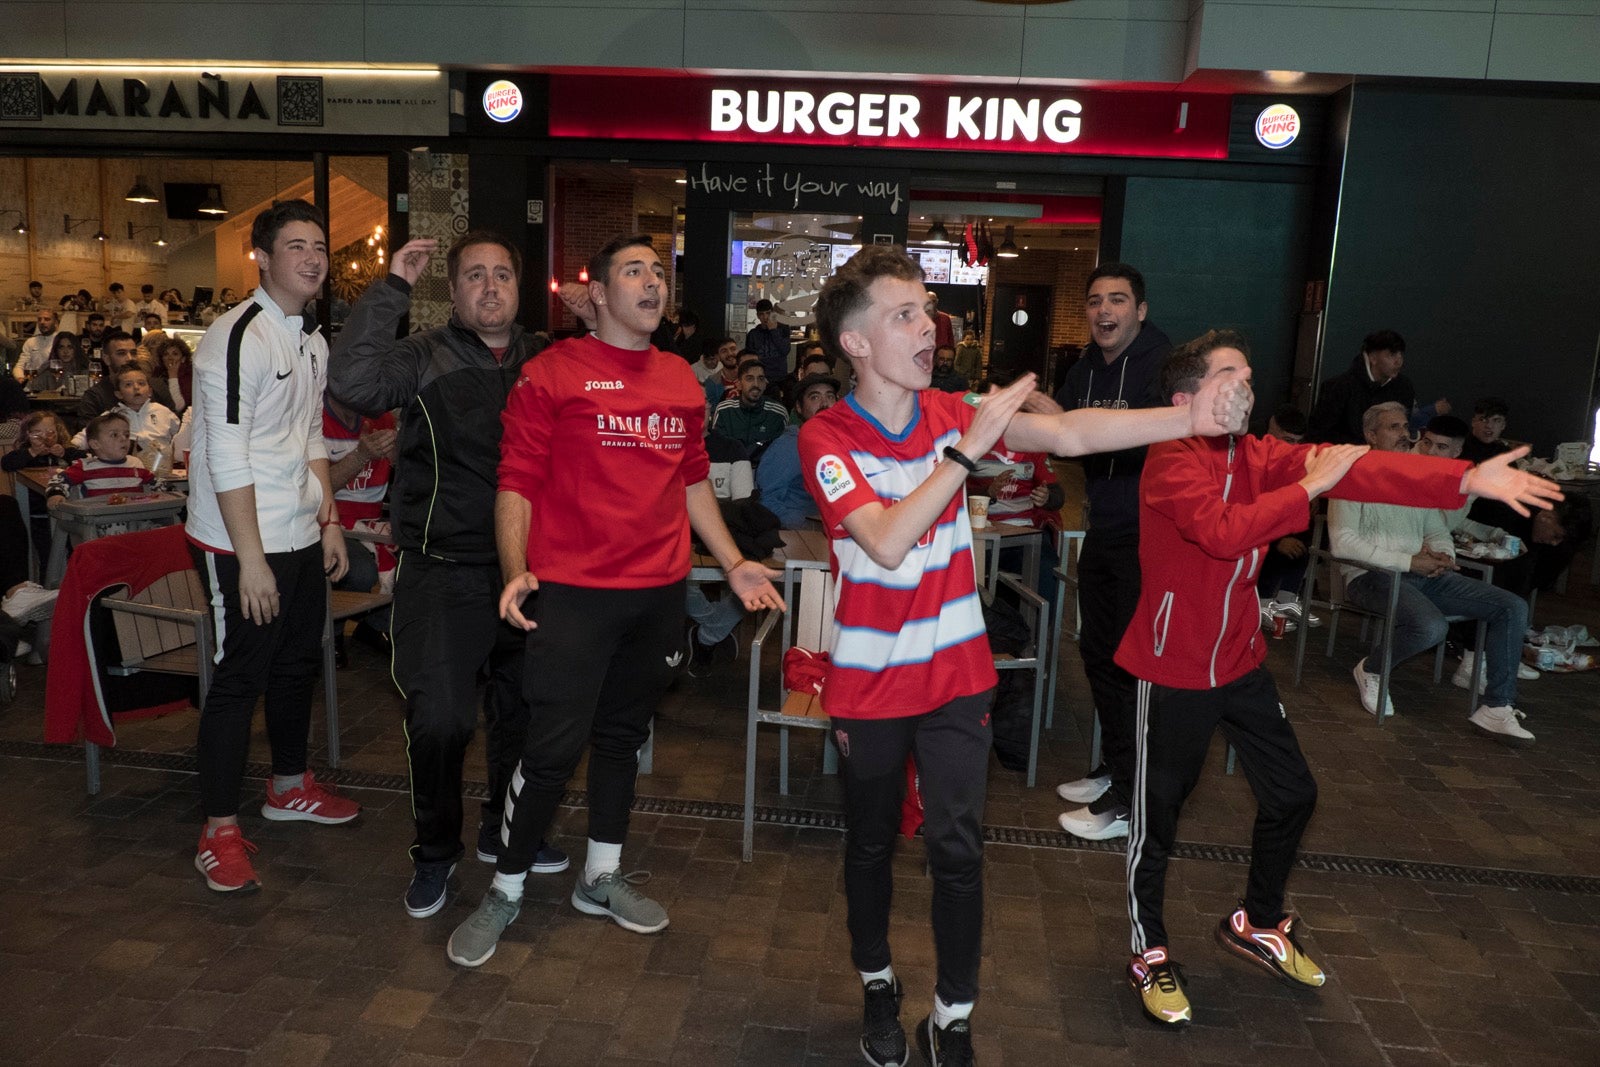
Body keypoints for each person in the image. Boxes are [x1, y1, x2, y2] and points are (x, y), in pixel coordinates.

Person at [796, 246, 1253, 1067]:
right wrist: (967, 449)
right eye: (903, 314)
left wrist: (1188, 418)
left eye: (926, 308)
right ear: (856, 342)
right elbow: (888, 539)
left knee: (959, 848)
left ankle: (954, 1016)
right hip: (867, 685)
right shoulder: (827, 435)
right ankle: (876, 983)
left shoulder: (947, 412)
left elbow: (1073, 428)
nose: (927, 325)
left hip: (955, 677)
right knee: (869, 845)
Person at [1115, 330, 1559, 1028]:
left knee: (1293, 794)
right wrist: (1308, 489)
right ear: (1185, 398)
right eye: (1230, 374)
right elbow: (1222, 530)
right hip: (1172, 667)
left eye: (1250, 374)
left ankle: (1258, 922)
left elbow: (1356, 466)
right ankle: (1150, 950)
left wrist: (1466, 479)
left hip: (1237, 661)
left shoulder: (1256, 454)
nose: (1248, 384)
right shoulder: (1170, 460)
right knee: (1157, 821)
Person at [446, 234, 783, 969]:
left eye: (659, 272)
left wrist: (733, 564)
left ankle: (600, 875)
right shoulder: (551, 373)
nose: (652, 283)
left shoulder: (680, 381)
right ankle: (505, 885)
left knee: (622, 737)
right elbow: (517, 482)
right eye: (634, 271)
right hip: (571, 593)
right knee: (550, 749)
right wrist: (515, 568)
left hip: (656, 594)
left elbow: (693, 480)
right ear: (596, 292)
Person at [329, 229, 568, 920]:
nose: (489, 288)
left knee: (523, 715)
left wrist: (597, 317)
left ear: (519, 288)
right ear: (453, 289)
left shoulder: (546, 357)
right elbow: (350, 380)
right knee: (439, 720)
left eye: (502, 275)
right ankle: (435, 853)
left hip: (528, 570)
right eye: (473, 276)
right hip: (443, 571)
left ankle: (504, 829)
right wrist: (392, 285)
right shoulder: (424, 355)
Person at [184, 199, 358, 895]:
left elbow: (309, 436)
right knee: (239, 678)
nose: (311, 257)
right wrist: (250, 556)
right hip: (238, 538)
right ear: (261, 255)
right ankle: (218, 828)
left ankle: (289, 786)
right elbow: (224, 450)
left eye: (319, 245)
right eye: (295, 246)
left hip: (296, 527)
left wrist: (331, 519)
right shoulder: (236, 336)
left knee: (295, 663)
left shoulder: (311, 340)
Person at [1045, 263, 1172, 844]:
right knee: (1096, 653)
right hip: (1105, 526)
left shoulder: (1162, 365)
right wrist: (1021, 408)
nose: (1104, 311)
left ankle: (1132, 796)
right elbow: (1067, 429)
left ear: (1140, 310)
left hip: (1150, 536)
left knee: (1132, 667)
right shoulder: (1086, 367)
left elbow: (1145, 437)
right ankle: (1116, 767)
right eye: (1095, 301)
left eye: (1117, 301)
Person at [1332, 401, 1537, 740]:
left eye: (1405, 427)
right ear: (1370, 434)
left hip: (1419, 574)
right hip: (1369, 576)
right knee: (1431, 626)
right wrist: (1411, 561)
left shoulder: (1413, 476)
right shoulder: (1351, 474)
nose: (1406, 435)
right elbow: (1342, 544)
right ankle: (1371, 668)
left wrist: (1441, 552)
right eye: (1393, 428)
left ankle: (1496, 707)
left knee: (1512, 607)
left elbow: (1436, 528)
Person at [322, 389, 398, 653]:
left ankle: (375, 625)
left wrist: (400, 451)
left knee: (416, 557)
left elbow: (400, 472)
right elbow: (319, 488)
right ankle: (331, 637)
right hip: (325, 520)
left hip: (371, 520)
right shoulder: (313, 418)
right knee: (358, 569)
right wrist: (361, 455)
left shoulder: (384, 418)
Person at [1306, 329, 1447, 444]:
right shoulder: (1338, 387)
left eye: (1401, 355)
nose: (1399, 361)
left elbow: (1404, 429)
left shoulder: (1404, 387)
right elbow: (1317, 435)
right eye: (1392, 355)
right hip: (1344, 463)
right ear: (1373, 358)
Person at [1255, 405, 1319, 630]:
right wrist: (1277, 541)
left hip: (1278, 531)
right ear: (1269, 435)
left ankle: (1286, 598)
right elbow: (1247, 516)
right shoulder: (1253, 464)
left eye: (1298, 442)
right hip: (1249, 537)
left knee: (1304, 521)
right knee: (1276, 541)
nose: (1293, 448)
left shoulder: (1297, 464)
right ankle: (1261, 602)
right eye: (1287, 440)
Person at [758, 372, 839, 528]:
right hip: (800, 534)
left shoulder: (843, 445)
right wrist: (805, 525)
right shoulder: (788, 446)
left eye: (830, 397)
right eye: (814, 397)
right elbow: (767, 500)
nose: (824, 403)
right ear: (799, 408)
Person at [72, 364, 180, 463]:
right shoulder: (112, 416)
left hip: (162, 466)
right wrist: (72, 447)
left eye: (141, 383)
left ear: (150, 391)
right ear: (118, 394)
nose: (136, 387)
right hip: (126, 466)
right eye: (128, 385)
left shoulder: (163, 412)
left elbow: (180, 435)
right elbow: (86, 436)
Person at [44, 411, 154, 505]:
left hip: (136, 519)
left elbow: (157, 484)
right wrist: (56, 494)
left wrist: (169, 490)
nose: (123, 439)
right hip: (99, 522)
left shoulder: (136, 464)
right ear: (95, 444)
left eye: (126, 435)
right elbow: (58, 481)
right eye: (114, 435)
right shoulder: (85, 467)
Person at [75, 331, 175, 420]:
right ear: (107, 359)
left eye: (133, 353)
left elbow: (175, 426)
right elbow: (89, 435)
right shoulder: (95, 396)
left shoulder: (157, 386)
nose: (130, 358)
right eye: (121, 353)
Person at [711, 358, 788, 461]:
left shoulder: (778, 413)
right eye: (749, 378)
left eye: (760, 379)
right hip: (731, 469)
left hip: (765, 471)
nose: (756, 384)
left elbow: (781, 455)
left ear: (765, 384)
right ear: (738, 384)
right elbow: (717, 449)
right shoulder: (724, 411)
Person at [744, 298, 791, 383]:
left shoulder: (783, 329)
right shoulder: (753, 334)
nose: (765, 317)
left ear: (772, 313)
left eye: (768, 313)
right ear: (758, 316)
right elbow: (750, 359)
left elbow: (785, 350)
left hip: (780, 376)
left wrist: (773, 331)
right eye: (761, 314)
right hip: (761, 376)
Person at [14, 308, 59, 383]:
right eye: (39, 319)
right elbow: (20, 366)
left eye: (47, 319)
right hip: (34, 383)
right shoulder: (30, 342)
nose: (42, 322)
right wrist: (20, 379)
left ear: (55, 322)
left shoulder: (62, 341)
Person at [153, 335, 194, 413]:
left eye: (175, 354)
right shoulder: (158, 373)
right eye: (166, 354)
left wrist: (173, 376)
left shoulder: (190, 376)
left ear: (183, 359)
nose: (170, 358)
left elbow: (178, 406)